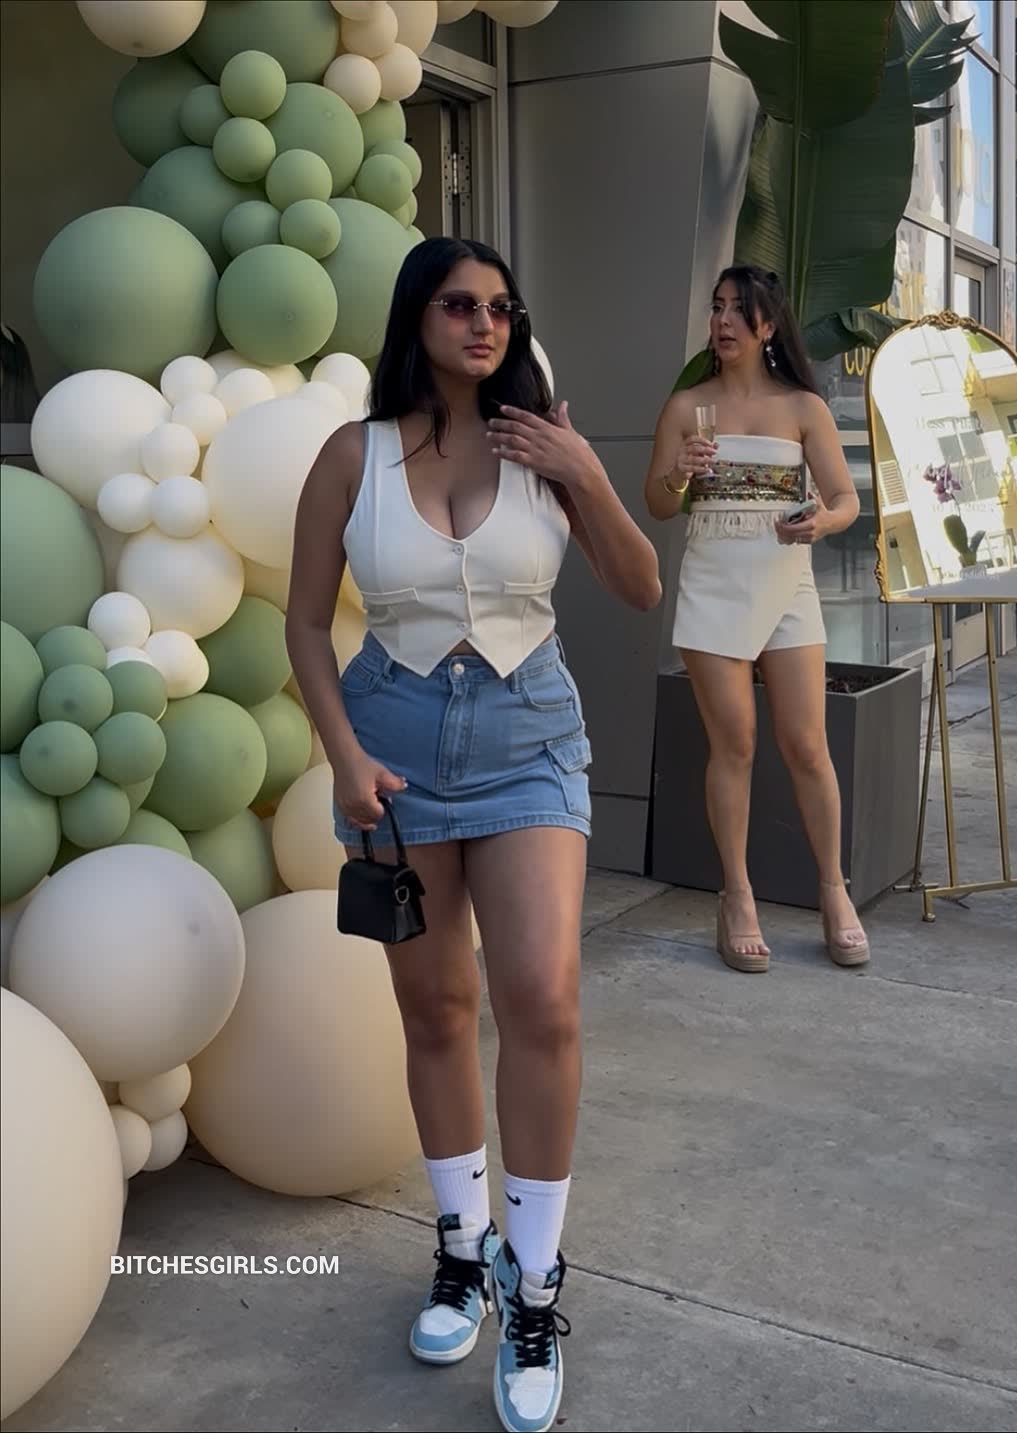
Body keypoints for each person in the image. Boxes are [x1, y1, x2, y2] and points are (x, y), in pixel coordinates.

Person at [286, 236, 661, 1433]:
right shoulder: (352, 456)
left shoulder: (543, 445)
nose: (484, 323)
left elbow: (641, 585)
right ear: (418, 318)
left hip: (528, 736)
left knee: (542, 997)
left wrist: (584, 470)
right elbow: (304, 623)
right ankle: (462, 1246)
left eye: (502, 306)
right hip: (393, 746)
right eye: (459, 304)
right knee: (439, 1008)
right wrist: (343, 754)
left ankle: (534, 1283)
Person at [644, 264, 870, 975]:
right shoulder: (686, 406)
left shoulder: (804, 407)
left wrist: (821, 522)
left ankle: (833, 891)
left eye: (739, 310)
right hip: (712, 582)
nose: (723, 321)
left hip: (787, 581)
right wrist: (679, 471)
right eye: (717, 307)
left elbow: (846, 500)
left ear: (768, 325)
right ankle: (736, 896)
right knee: (734, 744)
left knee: (806, 743)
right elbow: (657, 503)